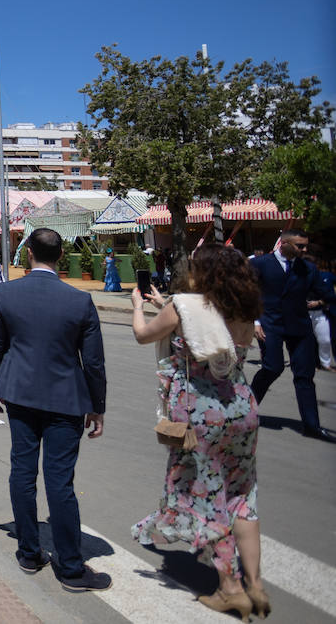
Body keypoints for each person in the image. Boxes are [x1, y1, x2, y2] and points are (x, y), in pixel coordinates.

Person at [130, 243, 267, 619]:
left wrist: (139, 307)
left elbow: (143, 335)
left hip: (202, 413)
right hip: (242, 406)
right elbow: (208, 330)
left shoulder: (183, 306)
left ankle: (230, 589)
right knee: (243, 496)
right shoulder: (243, 306)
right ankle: (255, 585)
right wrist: (163, 303)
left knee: (210, 499)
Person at [0, 228, 110, 592]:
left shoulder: (5, 293)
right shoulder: (79, 300)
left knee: (22, 471)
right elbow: (93, 362)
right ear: (61, 255)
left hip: (19, 395)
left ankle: (28, 552)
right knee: (60, 480)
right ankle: (70, 568)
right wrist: (97, 406)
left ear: (29, 254)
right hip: (66, 400)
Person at [250, 231, 334, 442]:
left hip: (299, 326)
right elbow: (249, 293)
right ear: (284, 243)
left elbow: (325, 293)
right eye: (300, 246)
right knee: (272, 367)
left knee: (305, 376)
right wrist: (255, 321)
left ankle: (312, 425)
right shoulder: (260, 264)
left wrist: (326, 300)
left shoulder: (308, 268)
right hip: (270, 324)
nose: (304, 250)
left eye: (306, 246)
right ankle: (245, 408)